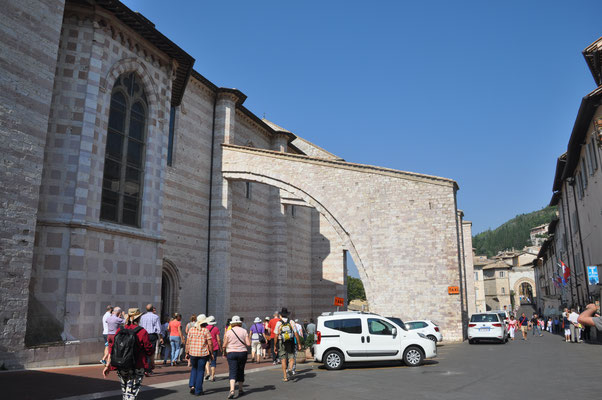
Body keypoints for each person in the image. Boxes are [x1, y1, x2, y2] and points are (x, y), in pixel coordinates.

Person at [103, 308, 153, 400]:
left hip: (121, 364)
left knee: (125, 390)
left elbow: (112, 348)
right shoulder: (142, 332)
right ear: (138, 318)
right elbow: (148, 349)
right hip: (137, 365)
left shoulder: (120, 330)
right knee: (132, 392)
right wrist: (151, 363)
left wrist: (107, 364)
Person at [223, 315, 251, 399]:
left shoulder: (229, 332)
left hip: (231, 352)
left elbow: (224, 345)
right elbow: (248, 344)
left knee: (232, 370)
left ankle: (232, 390)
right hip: (242, 352)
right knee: (241, 370)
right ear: (239, 323)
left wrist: (224, 353)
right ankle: (240, 389)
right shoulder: (244, 331)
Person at [185, 315, 213, 396]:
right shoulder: (206, 331)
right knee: (200, 371)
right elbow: (210, 343)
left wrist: (187, 352)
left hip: (193, 353)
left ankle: (192, 385)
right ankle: (198, 390)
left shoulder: (191, 330)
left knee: (194, 368)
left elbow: (188, 342)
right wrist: (211, 353)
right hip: (203, 353)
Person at [273, 308, 301, 382]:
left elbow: (275, 335)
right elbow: (296, 333)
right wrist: (299, 344)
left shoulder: (279, 323)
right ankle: (290, 369)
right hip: (290, 341)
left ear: (281, 315)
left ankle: (285, 377)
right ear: (288, 315)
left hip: (281, 341)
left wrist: (275, 346)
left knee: (283, 359)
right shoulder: (291, 322)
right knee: (291, 357)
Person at [139, 304, 162, 374]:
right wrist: (161, 337)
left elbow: (140, 326)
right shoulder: (155, 317)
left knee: (144, 351)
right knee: (150, 352)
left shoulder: (142, 317)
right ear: (152, 309)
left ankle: (145, 367)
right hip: (152, 335)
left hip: (143, 334)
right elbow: (159, 328)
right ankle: (148, 368)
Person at [204, 315, 221, 382]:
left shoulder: (205, 328)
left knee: (206, 360)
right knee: (213, 361)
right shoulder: (216, 328)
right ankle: (212, 376)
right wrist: (220, 347)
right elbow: (218, 339)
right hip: (214, 346)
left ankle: (208, 372)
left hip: (206, 346)